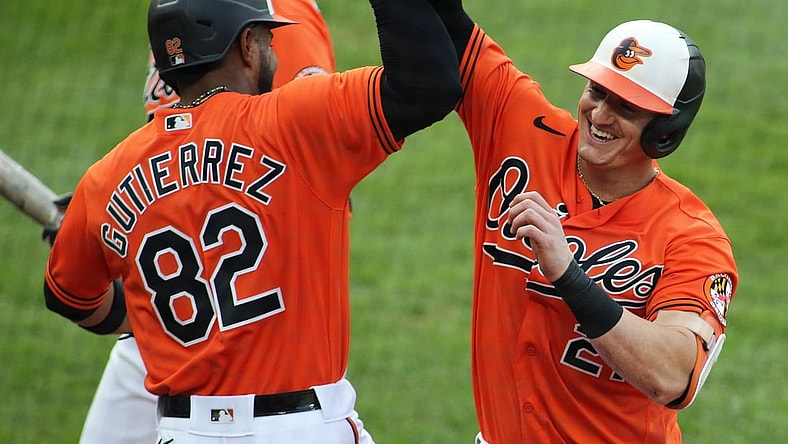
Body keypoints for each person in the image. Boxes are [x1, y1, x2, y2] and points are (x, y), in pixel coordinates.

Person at [43, 0, 461, 442]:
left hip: (179, 432)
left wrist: (148, 316)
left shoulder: (106, 179)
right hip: (300, 429)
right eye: (267, 39)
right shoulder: (294, 121)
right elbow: (427, 84)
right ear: (247, 46)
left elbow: (69, 298)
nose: (273, 52)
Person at [429, 2, 737, 442]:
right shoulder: (522, 128)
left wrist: (569, 275)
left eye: (627, 107)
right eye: (597, 91)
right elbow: (446, 26)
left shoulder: (691, 237)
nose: (599, 114)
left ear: (665, 131)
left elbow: (674, 375)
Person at [76, 1, 338, 442]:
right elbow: (174, 146)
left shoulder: (272, 14)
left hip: (262, 322)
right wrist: (111, 222)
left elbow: (317, 158)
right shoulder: (173, 12)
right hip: (170, 315)